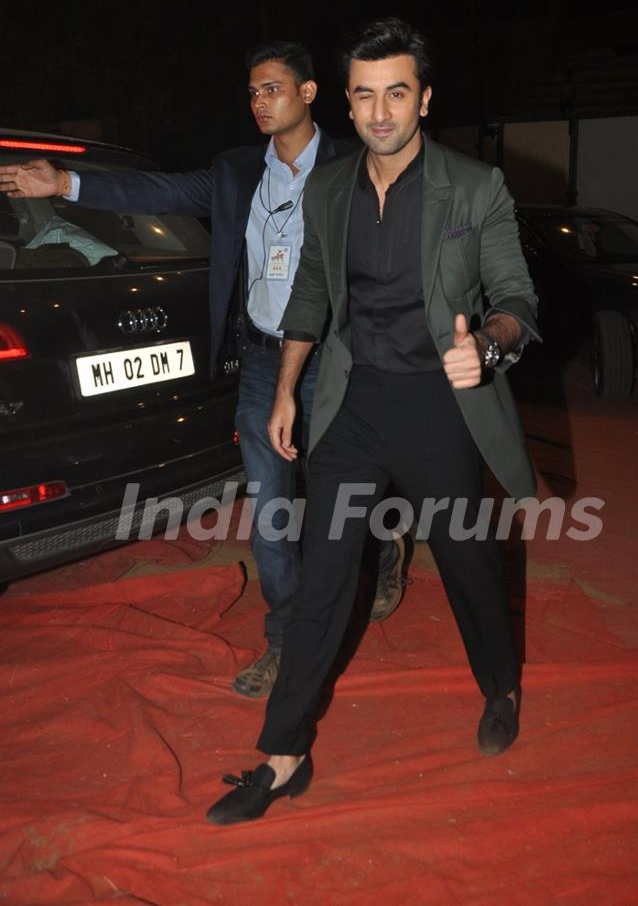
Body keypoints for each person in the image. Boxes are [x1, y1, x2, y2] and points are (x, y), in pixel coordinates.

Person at [205, 17, 540, 826]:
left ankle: (500, 685)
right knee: (324, 575)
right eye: (365, 95)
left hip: (440, 405)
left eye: (397, 92)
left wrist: (487, 352)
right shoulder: (328, 188)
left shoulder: (475, 186)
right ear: (346, 105)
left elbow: (518, 301)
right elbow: (311, 294)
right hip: (352, 405)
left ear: (423, 98)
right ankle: (284, 755)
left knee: (467, 563)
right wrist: (287, 389)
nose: (381, 111)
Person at [0, 40, 404, 697]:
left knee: (347, 497)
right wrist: (65, 183)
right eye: (251, 92)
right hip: (261, 360)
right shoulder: (236, 170)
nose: (259, 102)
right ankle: (287, 644)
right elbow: (155, 191)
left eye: (272, 88)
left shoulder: (354, 164)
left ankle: (385, 553)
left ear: (307, 94)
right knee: (272, 511)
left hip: (339, 360)